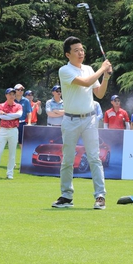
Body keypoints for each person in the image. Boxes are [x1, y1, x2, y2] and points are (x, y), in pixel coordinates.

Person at [51, 37, 111, 210]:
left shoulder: (89, 69)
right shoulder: (65, 70)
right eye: (76, 50)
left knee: (94, 158)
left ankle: (100, 196)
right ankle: (66, 196)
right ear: (68, 54)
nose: (81, 53)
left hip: (90, 119)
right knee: (68, 160)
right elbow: (85, 82)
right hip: (70, 120)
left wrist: (105, 76)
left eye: (82, 49)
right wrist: (102, 68)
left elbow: (99, 93)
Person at [0, 88, 22, 179]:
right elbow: (1, 117)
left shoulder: (18, 106)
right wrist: (11, 115)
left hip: (13, 130)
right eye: (10, 94)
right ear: (6, 95)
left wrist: (6, 114)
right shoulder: (1, 105)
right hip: (3, 130)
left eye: (13, 94)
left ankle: (10, 173)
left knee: (12, 152)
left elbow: (18, 115)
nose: (12, 96)